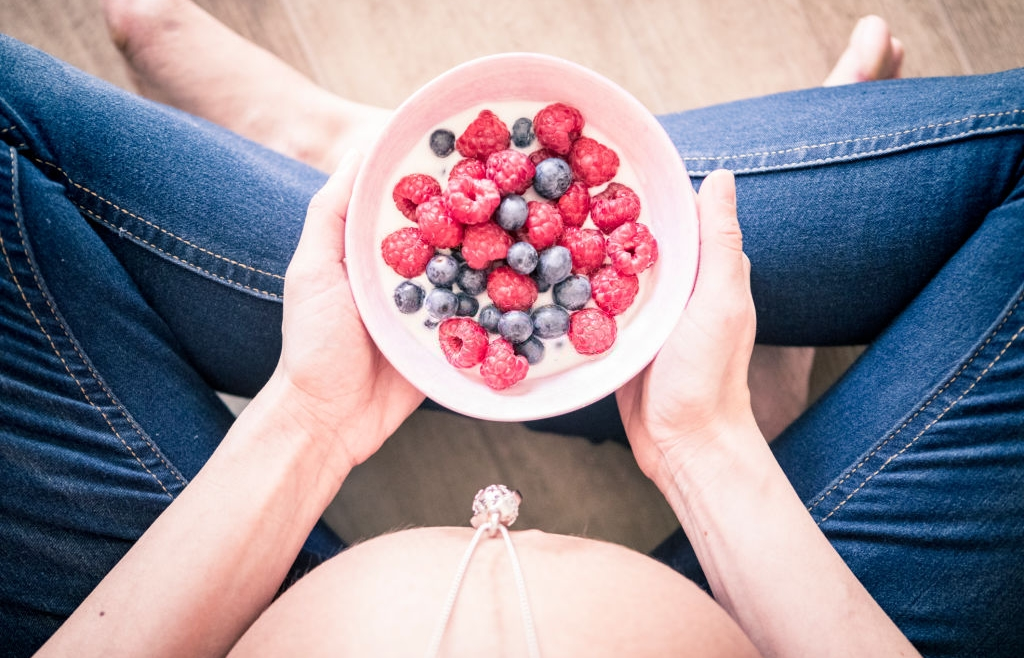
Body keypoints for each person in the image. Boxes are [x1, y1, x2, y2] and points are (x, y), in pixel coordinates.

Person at [0, 2, 1021, 656]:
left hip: (219, 603)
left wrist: (305, 426)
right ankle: (757, 410)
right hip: (762, 608)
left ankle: (333, 150)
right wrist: (710, 455)